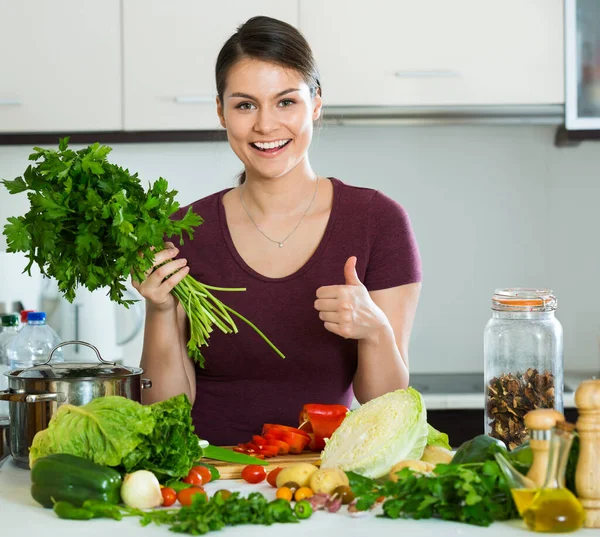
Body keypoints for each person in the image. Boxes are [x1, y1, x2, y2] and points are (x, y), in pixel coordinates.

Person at [133, 16, 422, 446]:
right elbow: (163, 412)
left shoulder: (377, 222)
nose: (266, 126)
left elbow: (388, 406)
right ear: (221, 111)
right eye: (245, 105)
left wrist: (374, 330)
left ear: (316, 103)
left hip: (325, 479)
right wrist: (158, 310)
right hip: (212, 478)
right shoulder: (183, 231)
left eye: (286, 102)